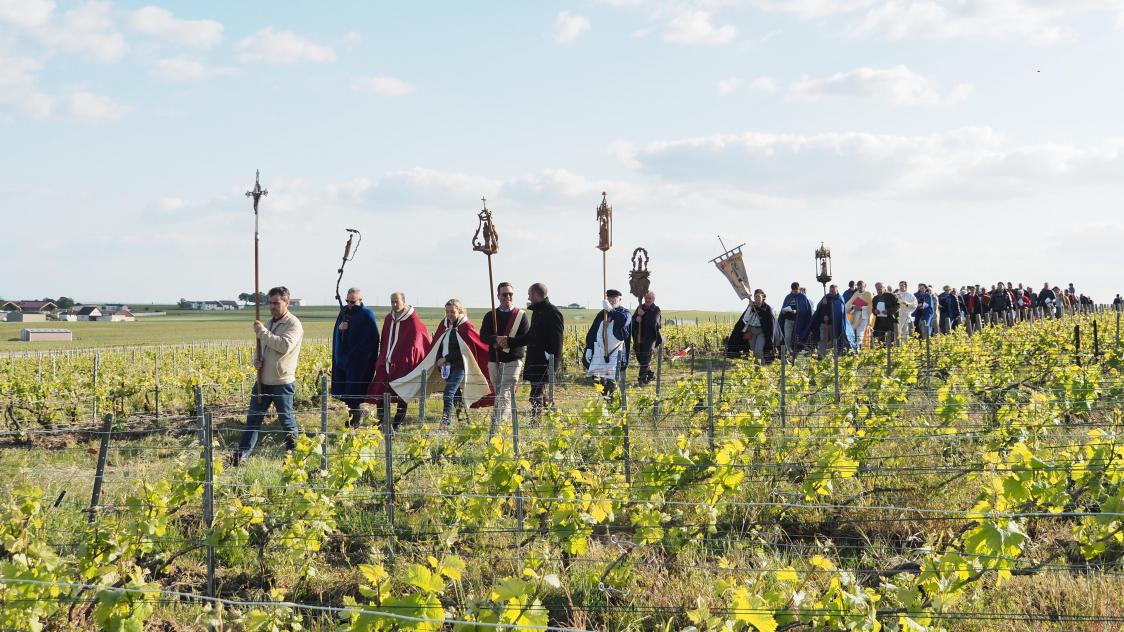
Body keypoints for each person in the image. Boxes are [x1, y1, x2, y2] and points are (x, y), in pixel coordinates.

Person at [391, 299, 493, 428]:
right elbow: (437, 345)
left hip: (459, 367)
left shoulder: (465, 327)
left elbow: (466, 350)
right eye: (447, 311)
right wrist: (439, 358)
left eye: (452, 311)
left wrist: (446, 358)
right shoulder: (444, 325)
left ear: (459, 311)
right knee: (455, 395)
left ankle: (446, 422)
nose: (449, 314)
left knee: (448, 393)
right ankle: (463, 421)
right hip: (447, 368)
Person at [235, 286, 304, 465]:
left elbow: (283, 346)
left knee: (286, 421)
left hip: (282, 382)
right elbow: (262, 348)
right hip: (262, 381)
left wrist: (262, 332)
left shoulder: (293, 324)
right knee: (253, 420)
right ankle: (241, 456)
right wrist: (256, 360)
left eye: (276, 303)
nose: (272, 306)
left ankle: (294, 457)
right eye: (270, 303)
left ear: (286, 302)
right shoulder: (267, 323)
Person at [499, 282, 564, 420]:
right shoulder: (537, 312)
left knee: (536, 393)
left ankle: (535, 421)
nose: (528, 297)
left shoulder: (553, 313)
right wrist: (510, 341)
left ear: (535, 294)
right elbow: (530, 337)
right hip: (535, 360)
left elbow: (558, 341)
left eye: (529, 294)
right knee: (539, 391)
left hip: (545, 362)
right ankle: (555, 417)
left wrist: (553, 363)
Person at [367, 292, 430, 428]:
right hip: (386, 363)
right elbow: (385, 340)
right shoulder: (389, 319)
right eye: (392, 302)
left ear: (404, 301)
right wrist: (382, 358)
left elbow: (417, 342)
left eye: (397, 302)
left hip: (403, 364)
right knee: (381, 393)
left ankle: (396, 424)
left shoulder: (413, 320)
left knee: (403, 394)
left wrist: (408, 358)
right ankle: (382, 422)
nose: (394, 305)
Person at [479, 282, 530, 428]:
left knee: (506, 390)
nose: (508, 297)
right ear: (498, 296)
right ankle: (504, 419)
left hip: (513, 359)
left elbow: (525, 338)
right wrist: (495, 340)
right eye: (504, 294)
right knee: (498, 391)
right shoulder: (491, 315)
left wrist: (508, 342)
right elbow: (483, 336)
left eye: (510, 294)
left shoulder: (521, 316)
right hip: (494, 360)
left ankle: (498, 423)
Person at [331, 287, 379, 427]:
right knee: (347, 392)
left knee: (355, 391)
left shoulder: (367, 314)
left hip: (359, 361)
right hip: (344, 360)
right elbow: (337, 334)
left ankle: (355, 420)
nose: (350, 304)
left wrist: (359, 354)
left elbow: (373, 338)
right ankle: (355, 416)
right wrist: (341, 329)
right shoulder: (344, 311)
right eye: (348, 301)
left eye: (353, 301)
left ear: (360, 300)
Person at [583, 289, 632, 400]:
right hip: (600, 351)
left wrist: (610, 310)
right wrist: (589, 347)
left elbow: (624, 321)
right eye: (609, 298)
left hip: (615, 351)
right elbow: (593, 332)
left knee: (611, 379)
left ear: (620, 299)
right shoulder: (602, 314)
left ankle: (614, 402)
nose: (611, 300)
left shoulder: (624, 312)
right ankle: (608, 398)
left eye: (614, 298)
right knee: (597, 378)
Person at [727, 288, 776, 361]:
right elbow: (745, 318)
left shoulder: (767, 308)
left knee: (758, 350)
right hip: (751, 331)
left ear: (763, 297)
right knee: (753, 351)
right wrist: (750, 307)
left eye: (759, 296)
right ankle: (756, 367)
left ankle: (761, 366)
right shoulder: (751, 306)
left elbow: (770, 323)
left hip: (761, 332)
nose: (757, 298)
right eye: (755, 296)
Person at [811, 285, 854, 357]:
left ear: (837, 291)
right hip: (824, 323)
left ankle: (835, 355)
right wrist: (823, 305)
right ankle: (821, 355)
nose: (832, 293)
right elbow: (819, 309)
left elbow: (840, 311)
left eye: (833, 291)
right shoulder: (825, 298)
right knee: (822, 339)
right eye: (830, 291)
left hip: (835, 324)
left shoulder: (840, 299)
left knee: (835, 339)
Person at [631, 290, 663, 385]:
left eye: (650, 298)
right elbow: (633, 320)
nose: (648, 300)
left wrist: (644, 315)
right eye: (646, 298)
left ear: (653, 299)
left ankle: (641, 380)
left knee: (645, 357)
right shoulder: (640, 307)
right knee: (640, 358)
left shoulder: (656, 309)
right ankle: (650, 374)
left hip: (650, 338)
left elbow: (654, 322)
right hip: (639, 337)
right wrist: (636, 319)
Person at [777, 281, 813, 358]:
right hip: (788, 320)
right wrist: (784, 311)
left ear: (799, 289)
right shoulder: (788, 297)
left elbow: (806, 310)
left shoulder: (803, 298)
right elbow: (784, 307)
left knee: (797, 337)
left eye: (796, 291)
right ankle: (789, 351)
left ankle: (796, 352)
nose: (795, 292)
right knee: (787, 337)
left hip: (799, 321)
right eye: (793, 291)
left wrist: (797, 311)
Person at [846, 280, 873, 348]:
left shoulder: (868, 294)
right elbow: (849, 304)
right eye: (858, 287)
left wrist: (861, 308)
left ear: (864, 286)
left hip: (864, 315)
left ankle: (858, 347)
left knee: (860, 331)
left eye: (861, 287)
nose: (860, 288)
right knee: (852, 330)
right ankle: (854, 346)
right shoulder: (856, 293)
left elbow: (871, 306)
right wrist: (853, 307)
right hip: (856, 315)